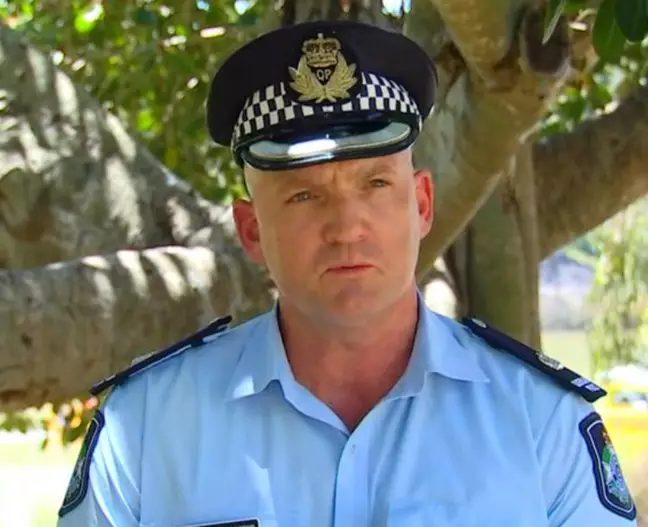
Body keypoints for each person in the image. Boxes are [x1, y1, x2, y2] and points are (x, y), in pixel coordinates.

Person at [57, 20, 638, 527]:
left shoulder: (542, 424)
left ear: (422, 204)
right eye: (305, 194)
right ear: (251, 228)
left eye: (376, 184)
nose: (346, 226)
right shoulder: (147, 428)